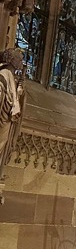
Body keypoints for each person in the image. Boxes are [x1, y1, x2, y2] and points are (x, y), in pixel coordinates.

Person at [0, 49, 24, 177]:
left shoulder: (12, 76)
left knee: (3, 147)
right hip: (2, 118)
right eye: (19, 59)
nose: (21, 63)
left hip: (7, 120)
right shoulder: (4, 75)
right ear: (11, 60)